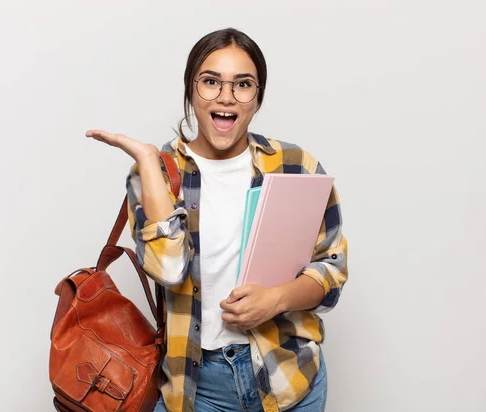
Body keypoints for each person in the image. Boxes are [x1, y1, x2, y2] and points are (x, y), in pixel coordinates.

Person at [86, 28, 348, 412]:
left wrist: (276, 299)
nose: (226, 97)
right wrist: (147, 161)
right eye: (211, 82)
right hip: (197, 388)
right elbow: (169, 269)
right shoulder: (156, 173)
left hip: (288, 376)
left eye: (243, 84)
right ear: (191, 91)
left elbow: (331, 270)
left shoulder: (297, 167)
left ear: (257, 98)